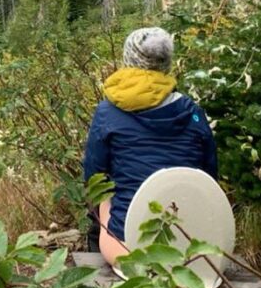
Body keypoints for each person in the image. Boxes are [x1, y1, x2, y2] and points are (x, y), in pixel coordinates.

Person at [82, 27, 218, 265]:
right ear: (167, 63)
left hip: (128, 248)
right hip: (189, 248)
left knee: (102, 194)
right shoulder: (193, 112)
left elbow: (93, 176)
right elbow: (210, 176)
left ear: (128, 60)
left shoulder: (108, 111)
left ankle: (103, 263)